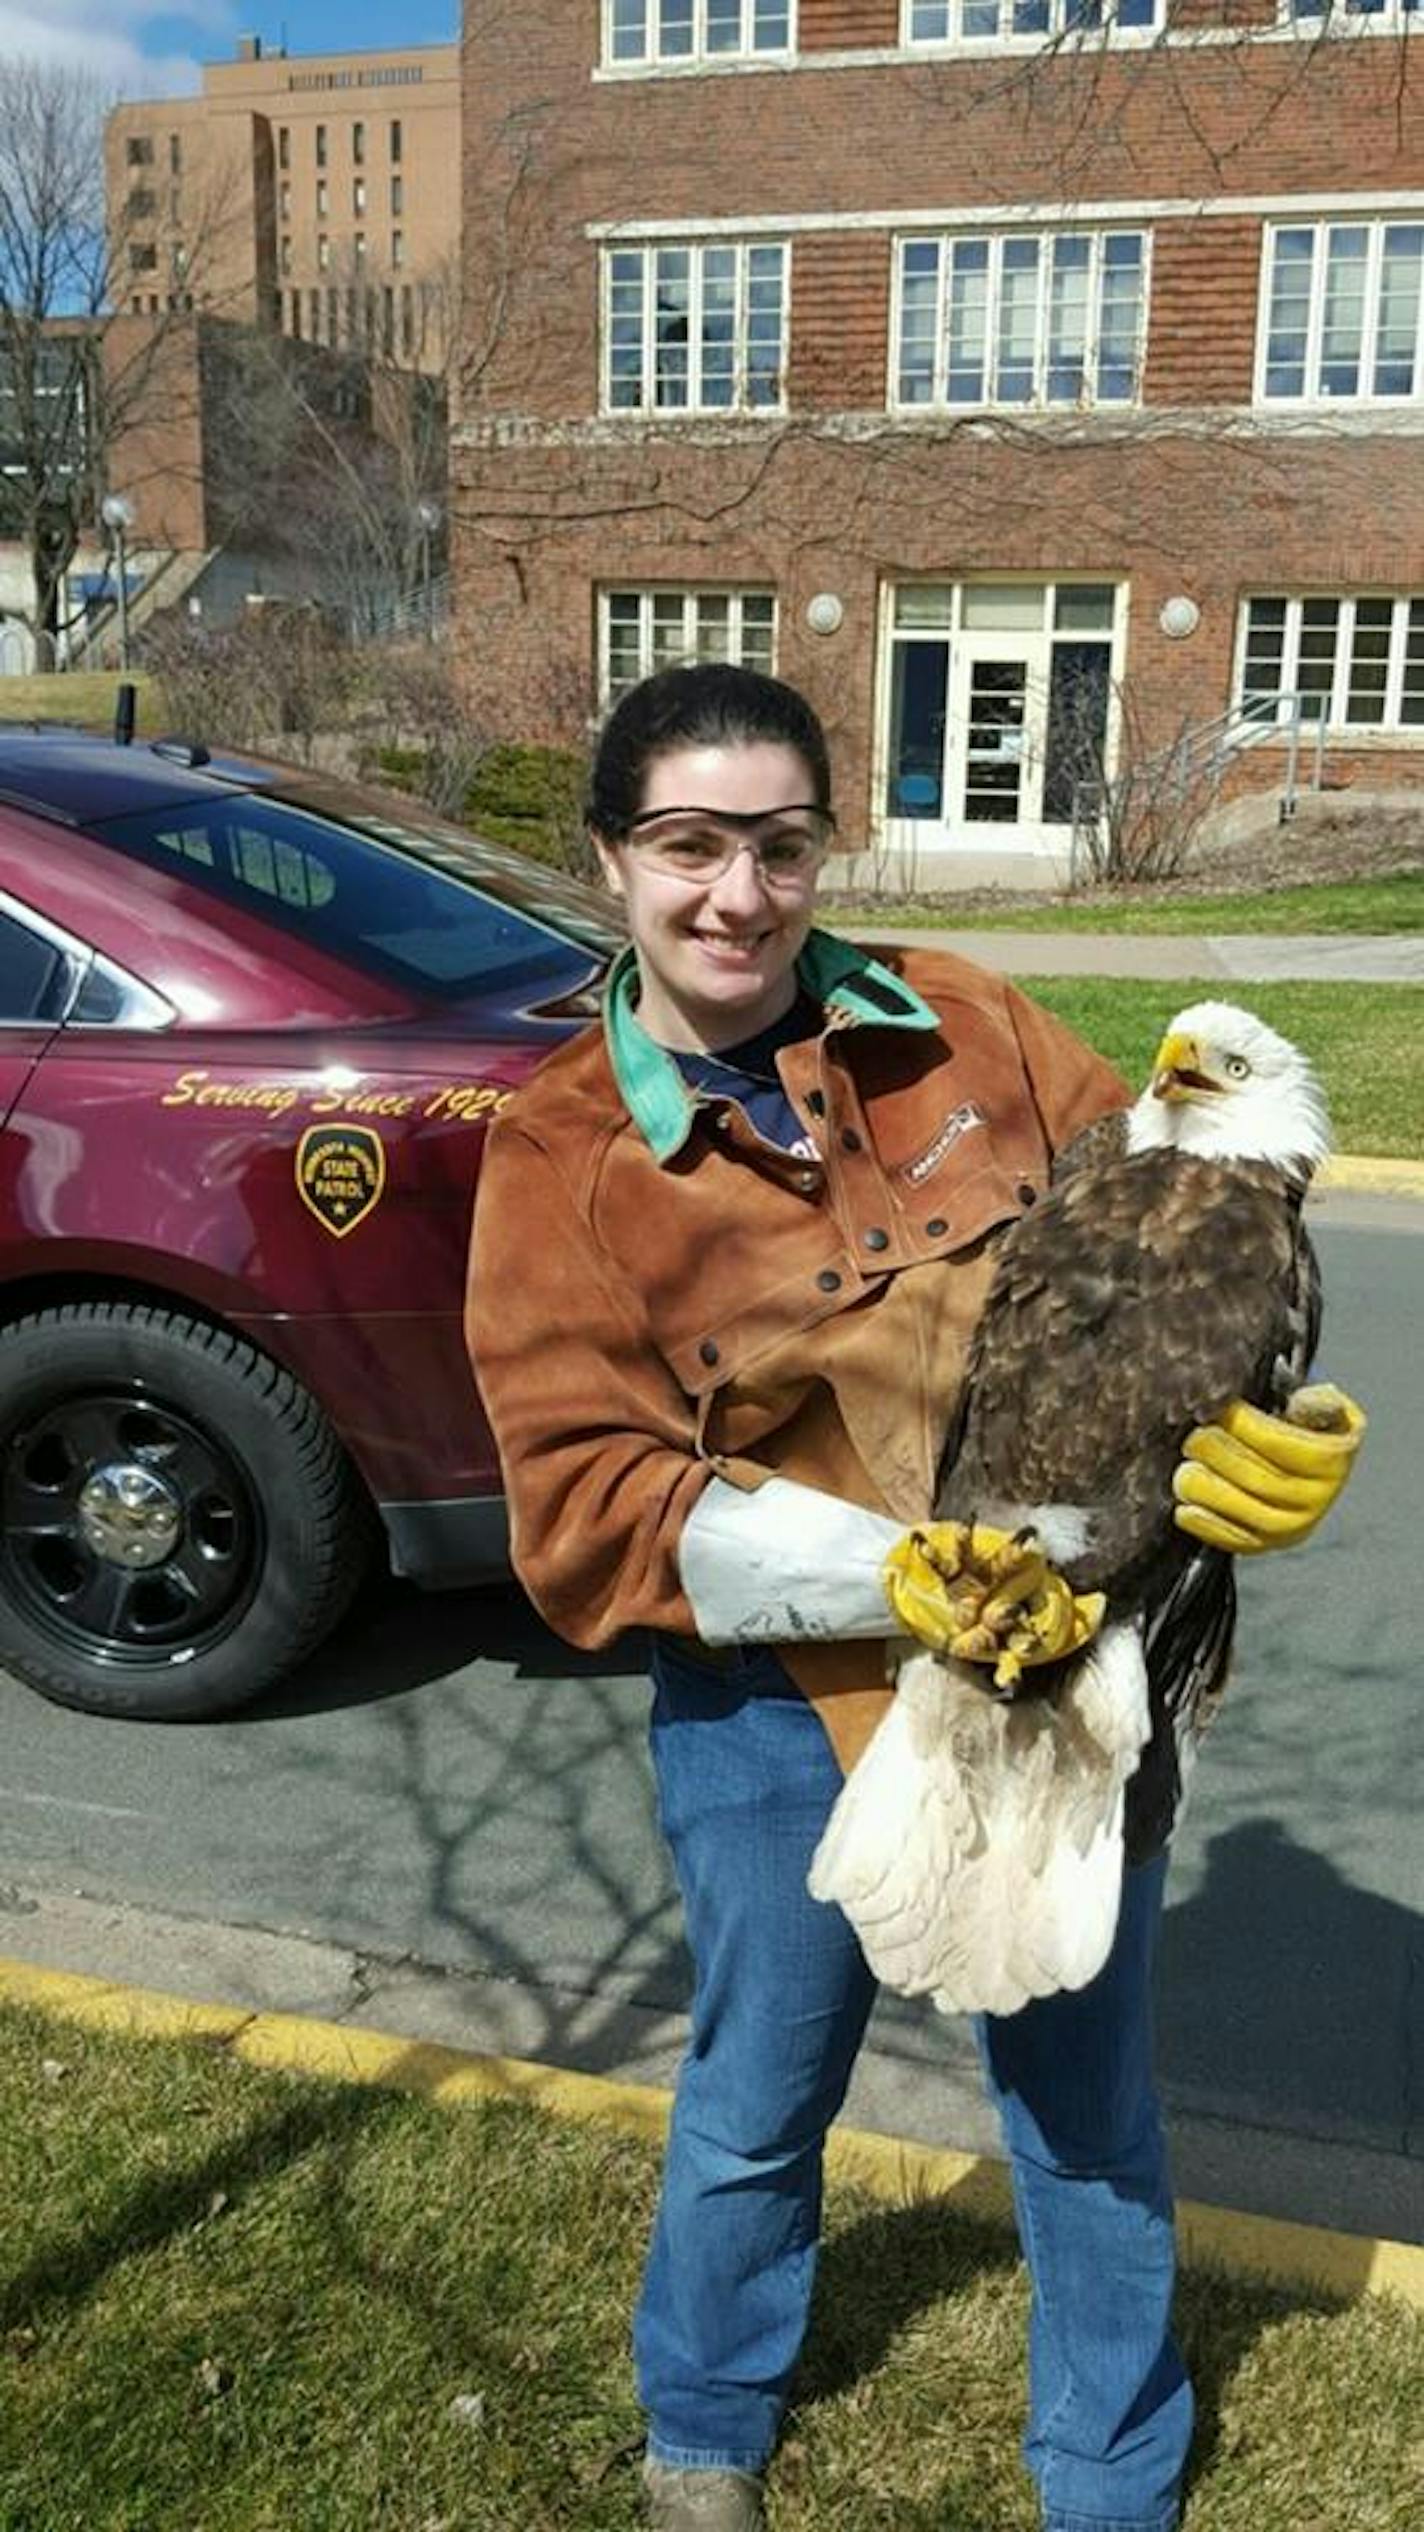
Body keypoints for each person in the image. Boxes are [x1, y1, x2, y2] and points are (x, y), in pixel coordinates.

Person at [466, 664, 1361, 2532]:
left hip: (1070, 1671)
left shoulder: (970, 1027)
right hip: (784, 1703)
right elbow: (589, 1502)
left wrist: (1254, 1453)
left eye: (780, 847)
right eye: (689, 846)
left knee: (1088, 2109)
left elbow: (1193, 1217)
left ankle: (1110, 2470)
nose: (738, 894)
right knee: (757, 2095)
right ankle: (703, 2428)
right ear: (611, 859)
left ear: (821, 852)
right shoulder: (565, 1153)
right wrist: (901, 1573)